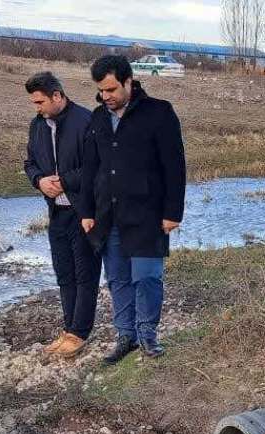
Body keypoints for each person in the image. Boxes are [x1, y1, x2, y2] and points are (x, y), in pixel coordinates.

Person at [75, 55, 187, 364]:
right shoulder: (98, 118)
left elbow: (174, 167)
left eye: (111, 89)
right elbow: (90, 170)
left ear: (128, 82)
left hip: (148, 214)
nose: (105, 96)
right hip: (108, 215)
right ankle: (127, 336)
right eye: (101, 91)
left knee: (147, 277)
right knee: (118, 279)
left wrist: (172, 212)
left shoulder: (159, 113)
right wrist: (86, 212)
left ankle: (148, 335)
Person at [23, 71, 102, 358]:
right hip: (56, 213)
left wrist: (64, 182)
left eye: (40, 102)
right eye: (34, 103)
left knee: (86, 275)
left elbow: (99, 167)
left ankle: (80, 333)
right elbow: (30, 163)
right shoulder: (37, 126)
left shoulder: (86, 121)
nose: (37, 108)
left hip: (85, 213)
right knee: (64, 275)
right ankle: (69, 329)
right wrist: (39, 182)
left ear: (58, 96)